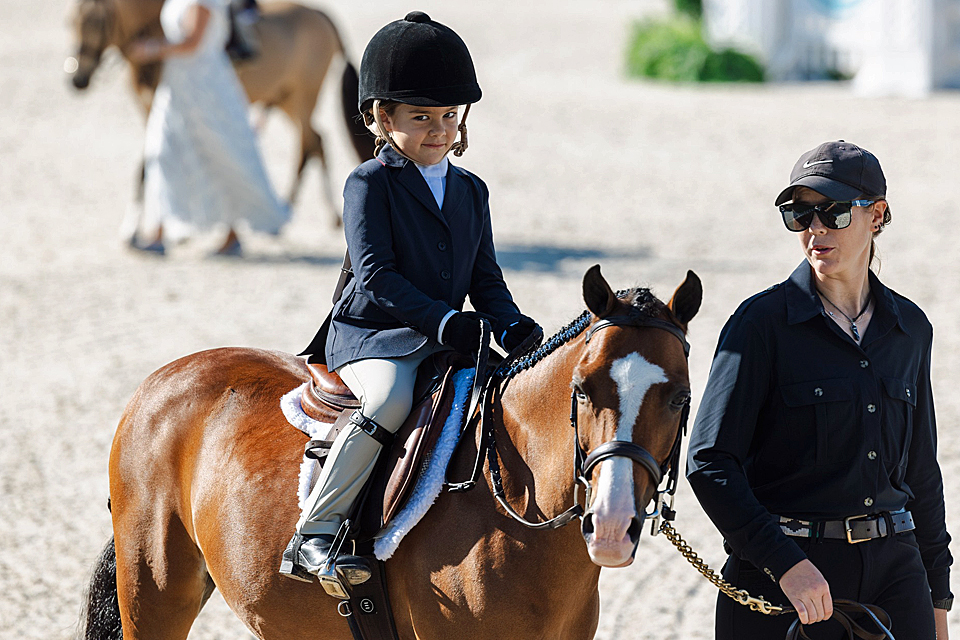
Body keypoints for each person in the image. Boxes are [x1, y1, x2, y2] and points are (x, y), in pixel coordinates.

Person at [278, 12, 539, 587]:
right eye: (421, 118)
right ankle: (315, 534)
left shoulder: (471, 189)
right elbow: (376, 277)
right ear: (381, 118)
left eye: (449, 116)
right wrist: (447, 322)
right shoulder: (368, 184)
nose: (439, 130)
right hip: (374, 333)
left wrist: (509, 320)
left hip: (443, 335)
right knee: (391, 400)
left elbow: (484, 274)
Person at [687, 141, 952, 639]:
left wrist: (937, 598)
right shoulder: (760, 324)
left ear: (877, 215)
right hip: (787, 580)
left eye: (833, 212)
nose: (815, 228)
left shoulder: (910, 328)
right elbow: (710, 461)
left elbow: (921, 470)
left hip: (897, 577)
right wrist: (785, 563)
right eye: (799, 214)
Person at [128, 0, 288, 256]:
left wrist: (151, 49)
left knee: (221, 154)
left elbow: (193, 43)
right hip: (176, 86)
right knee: (161, 151)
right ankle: (157, 232)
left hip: (204, 87)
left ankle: (232, 233)